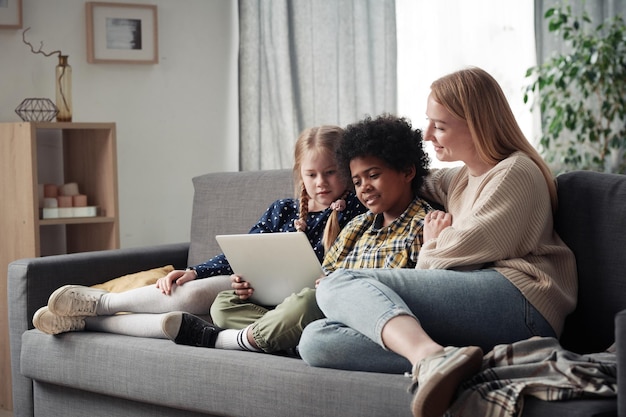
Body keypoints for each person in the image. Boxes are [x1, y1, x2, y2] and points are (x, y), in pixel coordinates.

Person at [297, 67, 578, 417]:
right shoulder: (461, 177)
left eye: (440, 126)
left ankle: (430, 358)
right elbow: (397, 176)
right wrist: (339, 188)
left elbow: (448, 259)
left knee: (340, 281)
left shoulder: (514, 173)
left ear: (477, 124)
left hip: (524, 303)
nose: (428, 133)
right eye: (429, 123)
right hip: (481, 305)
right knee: (317, 340)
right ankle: (457, 360)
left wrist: (432, 245)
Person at [33, 125, 366, 339]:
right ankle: (99, 304)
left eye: (331, 173)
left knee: (179, 321)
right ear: (300, 174)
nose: (321, 183)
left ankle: (88, 321)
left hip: (302, 302)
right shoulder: (284, 209)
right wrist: (194, 271)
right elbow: (241, 253)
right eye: (312, 175)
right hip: (256, 292)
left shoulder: (357, 211)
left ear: (348, 171)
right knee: (192, 294)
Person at [160, 114, 432, 356]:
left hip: (356, 312)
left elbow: (422, 288)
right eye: (358, 181)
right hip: (316, 301)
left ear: (408, 171)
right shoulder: (359, 225)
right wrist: (202, 272)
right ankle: (284, 340)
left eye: (372, 176)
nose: (364, 188)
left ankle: (227, 341)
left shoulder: (420, 223)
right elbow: (326, 275)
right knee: (225, 303)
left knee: (309, 305)